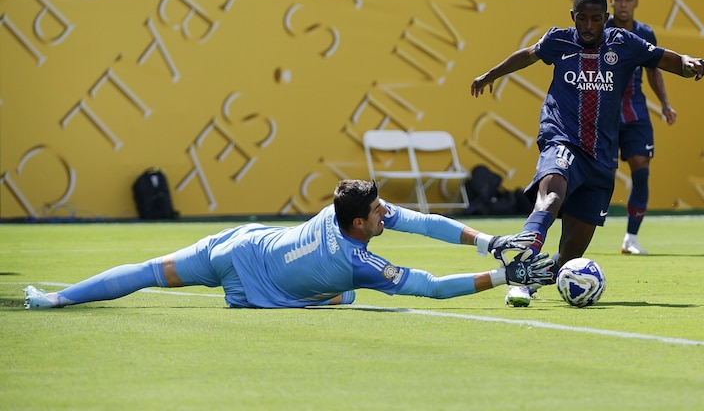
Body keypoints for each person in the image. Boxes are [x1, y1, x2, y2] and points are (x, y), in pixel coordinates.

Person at [470, 0, 704, 306]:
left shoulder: (624, 44)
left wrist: (688, 62)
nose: (588, 25)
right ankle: (519, 270)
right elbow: (528, 54)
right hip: (562, 139)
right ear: (573, 18)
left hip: (601, 157)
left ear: (606, 19)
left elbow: (663, 58)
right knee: (551, 196)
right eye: (582, 19)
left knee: (570, 253)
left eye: (596, 19)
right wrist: (491, 74)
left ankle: (530, 281)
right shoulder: (559, 40)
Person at [23, 179, 554, 310]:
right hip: (257, 291)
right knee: (344, 295)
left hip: (238, 247)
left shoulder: (339, 211)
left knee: (145, 271)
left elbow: (419, 222)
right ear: (356, 224)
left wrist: (488, 241)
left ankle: (56, 299)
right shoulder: (359, 262)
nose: (384, 214)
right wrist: (508, 273)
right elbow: (433, 287)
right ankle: (323, 296)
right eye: (376, 213)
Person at [606, 0, 677, 255]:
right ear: (611, 1)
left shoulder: (645, 33)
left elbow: (654, 70)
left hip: (636, 112)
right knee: (601, 177)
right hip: (605, 115)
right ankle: (581, 234)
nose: (623, 4)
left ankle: (631, 239)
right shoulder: (599, 29)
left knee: (641, 171)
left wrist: (666, 104)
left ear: (636, 2)